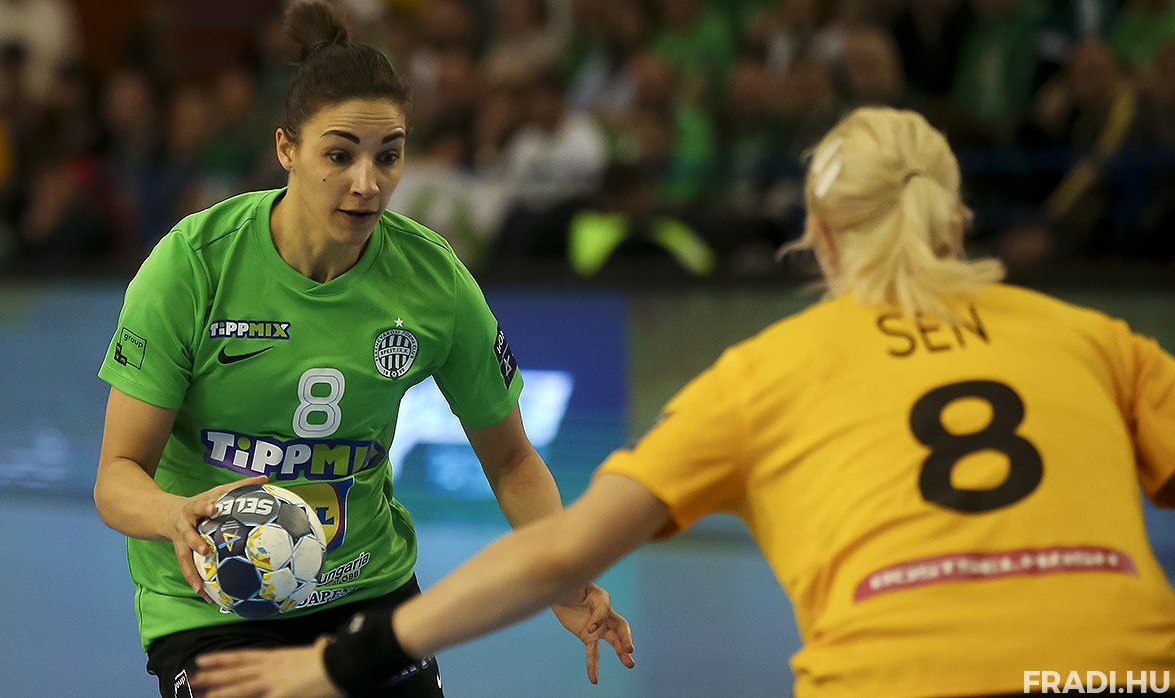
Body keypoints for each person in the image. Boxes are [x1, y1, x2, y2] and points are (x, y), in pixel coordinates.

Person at [191, 107, 1175, 697]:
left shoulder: (768, 372)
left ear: (822, 236)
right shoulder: (1096, 340)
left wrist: (344, 661)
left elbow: (558, 552)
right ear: (957, 219)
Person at [92, 3, 632, 697]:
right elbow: (118, 475)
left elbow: (512, 460)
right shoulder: (194, 265)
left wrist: (566, 577)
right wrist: (174, 514)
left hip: (365, 591)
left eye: (388, 155)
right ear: (287, 149)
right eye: (339, 154)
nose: (367, 182)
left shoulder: (432, 281)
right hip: (215, 599)